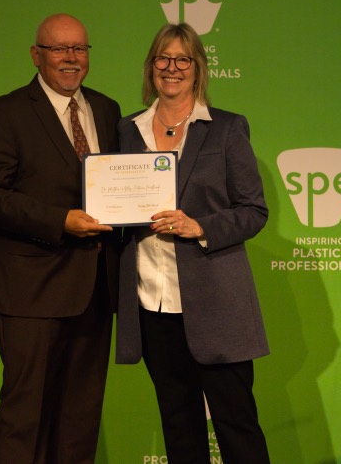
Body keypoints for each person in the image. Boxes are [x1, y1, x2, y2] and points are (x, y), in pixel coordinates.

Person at [0, 13, 121, 464]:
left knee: (79, 418)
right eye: (59, 49)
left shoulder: (107, 109)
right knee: (25, 417)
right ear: (37, 55)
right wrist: (60, 221)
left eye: (80, 48)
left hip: (95, 289)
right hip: (30, 291)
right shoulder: (6, 112)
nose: (71, 58)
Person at [115, 23, 270, 464]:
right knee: (179, 429)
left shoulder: (227, 128)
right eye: (163, 58)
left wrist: (199, 227)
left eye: (183, 59)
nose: (172, 68)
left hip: (217, 304)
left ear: (198, 68)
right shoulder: (127, 130)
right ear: (151, 66)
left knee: (237, 426)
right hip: (151, 302)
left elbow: (253, 210)